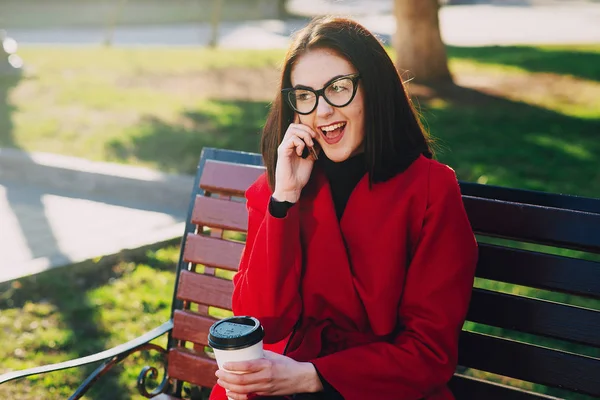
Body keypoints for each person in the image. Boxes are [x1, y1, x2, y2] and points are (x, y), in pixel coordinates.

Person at [210, 16, 478, 400]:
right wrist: (283, 200)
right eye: (304, 95)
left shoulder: (430, 189)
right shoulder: (279, 186)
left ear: (375, 89)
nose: (321, 112)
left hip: (378, 386)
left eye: (338, 88)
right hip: (277, 379)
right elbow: (262, 319)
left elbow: (429, 353)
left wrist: (309, 376)